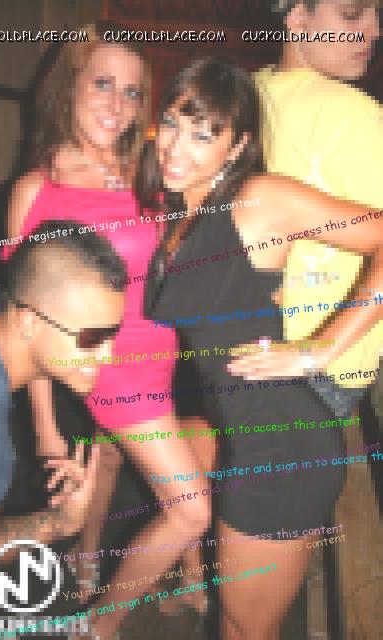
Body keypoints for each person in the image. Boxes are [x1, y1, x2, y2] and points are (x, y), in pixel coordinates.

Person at [138, 57, 383, 640]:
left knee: (247, 630)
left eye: (204, 134)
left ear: (239, 145)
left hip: (284, 450)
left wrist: (320, 349)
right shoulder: (179, 215)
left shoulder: (258, 201)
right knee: (234, 621)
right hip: (241, 435)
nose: (177, 146)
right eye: (172, 123)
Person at [4, 24, 210, 640]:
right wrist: (45, 427)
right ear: (69, 85)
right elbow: (26, 317)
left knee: (111, 457)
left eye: (130, 91)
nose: (117, 104)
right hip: (111, 369)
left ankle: (89, 560)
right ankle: (99, 626)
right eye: (101, 84)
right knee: (191, 511)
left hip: (161, 353)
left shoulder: (147, 169)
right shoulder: (38, 189)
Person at [0, 222, 125, 632]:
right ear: (29, 323)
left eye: (112, 335)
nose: (108, 356)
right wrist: (61, 523)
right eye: (92, 338)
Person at [254, 0, 382, 416]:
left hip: (253, 353)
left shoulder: (244, 91)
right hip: (319, 369)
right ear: (296, 17)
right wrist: (319, 351)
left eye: (376, 15)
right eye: (352, 15)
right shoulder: (355, 114)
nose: (374, 30)